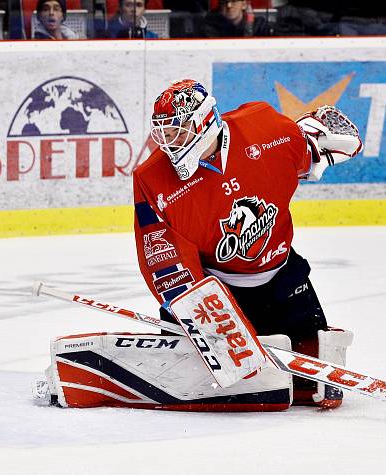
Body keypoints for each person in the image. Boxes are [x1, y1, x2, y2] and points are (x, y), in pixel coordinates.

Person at [34, 80, 362, 412]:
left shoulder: (266, 129)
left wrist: (318, 141)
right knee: (216, 375)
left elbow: (307, 149)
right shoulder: (153, 179)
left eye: (178, 130)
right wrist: (212, 323)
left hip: (283, 278)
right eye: (164, 133)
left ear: (205, 121)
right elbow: (167, 265)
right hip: (215, 289)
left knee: (318, 385)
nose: (170, 142)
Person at [202, 0, 270, 37]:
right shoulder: (211, 25)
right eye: (224, 2)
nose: (229, 6)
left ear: (244, 5)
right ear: (220, 6)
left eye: (234, 1)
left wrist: (249, 26)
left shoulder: (258, 25)